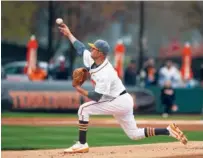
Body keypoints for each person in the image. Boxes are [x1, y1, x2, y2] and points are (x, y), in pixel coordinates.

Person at [58, 23, 188, 154]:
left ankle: (82, 144)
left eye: (94, 49)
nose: (91, 50)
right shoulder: (92, 60)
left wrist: (77, 88)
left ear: (100, 54)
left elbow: (96, 97)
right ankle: (168, 130)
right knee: (134, 134)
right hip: (122, 100)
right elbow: (80, 48)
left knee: (83, 109)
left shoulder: (106, 73)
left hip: (118, 101)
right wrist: (69, 34)